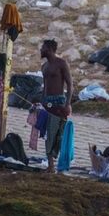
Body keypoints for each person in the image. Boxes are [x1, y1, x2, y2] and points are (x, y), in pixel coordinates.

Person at [40, 39, 73, 172]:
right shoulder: (45, 66)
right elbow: (45, 86)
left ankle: (55, 163)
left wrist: (67, 104)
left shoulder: (61, 64)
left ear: (49, 49)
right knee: (48, 134)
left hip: (59, 103)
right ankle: (50, 165)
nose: (40, 50)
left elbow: (70, 85)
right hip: (47, 103)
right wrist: (41, 101)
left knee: (58, 134)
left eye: (42, 47)